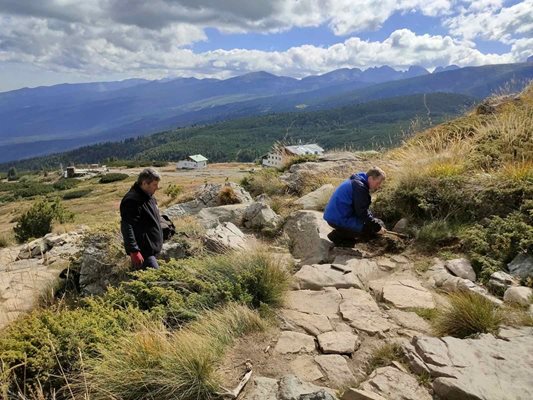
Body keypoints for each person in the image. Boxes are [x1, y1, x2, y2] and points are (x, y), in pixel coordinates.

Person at [323, 167, 386, 247]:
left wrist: (376, 224)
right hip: (338, 218)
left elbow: (363, 209)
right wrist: (377, 228)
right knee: (370, 229)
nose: (378, 186)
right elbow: (362, 213)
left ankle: (345, 235)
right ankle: (337, 236)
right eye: (378, 183)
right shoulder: (359, 187)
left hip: (337, 215)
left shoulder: (358, 181)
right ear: (370, 178)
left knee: (377, 223)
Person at [120, 168, 164, 269]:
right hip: (144, 252)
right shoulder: (132, 200)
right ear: (144, 183)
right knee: (154, 281)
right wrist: (134, 251)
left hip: (152, 249)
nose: (157, 187)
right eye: (154, 184)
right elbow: (127, 226)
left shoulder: (149, 196)